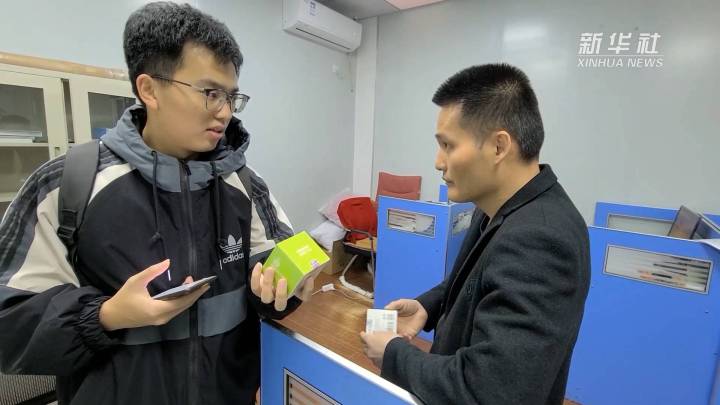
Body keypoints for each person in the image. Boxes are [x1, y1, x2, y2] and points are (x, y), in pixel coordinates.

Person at [0, 2, 313, 404]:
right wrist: (106, 316)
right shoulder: (68, 183)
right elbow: (10, 323)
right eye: (210, 93)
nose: (224, 112)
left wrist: (283, 290)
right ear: (149, 89)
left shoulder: (244, 183)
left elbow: (273, 280)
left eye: (232, 96)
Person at [360, 63, 590, 404]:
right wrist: (428, 306)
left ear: (498, 147)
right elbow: (478, 280)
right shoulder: (495, 206)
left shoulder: (541, 239)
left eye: (448, 145)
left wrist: (393, 354)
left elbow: (489, 392)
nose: (438, 162)